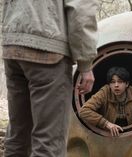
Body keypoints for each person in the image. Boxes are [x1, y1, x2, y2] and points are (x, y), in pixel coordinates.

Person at [1, 0, 98, 156]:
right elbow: (81, 9)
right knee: (48, 144)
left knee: (18, 137)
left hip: (12, 45)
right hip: (47, 49)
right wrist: (85, 63)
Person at [79, 67, 132, 137]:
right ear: (109, 84)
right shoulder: (105, 92)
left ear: (127, 84)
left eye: (120, 82)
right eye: (113, 82)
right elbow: (84, 111)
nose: (116, 85)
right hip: (108, 136)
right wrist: (106, 123)